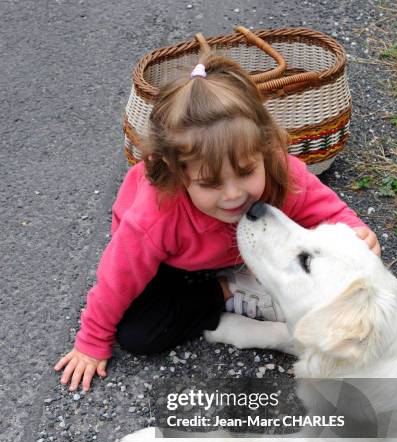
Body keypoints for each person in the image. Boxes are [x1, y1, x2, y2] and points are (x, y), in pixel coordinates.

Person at [54, 53, 380, 392]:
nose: (233, 195)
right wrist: (91, 340)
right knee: (137, 335)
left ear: (264, 148)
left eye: (246, 172)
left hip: (244, 246)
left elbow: (329, 211)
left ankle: (244, 285)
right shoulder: (153, 216)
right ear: (177, 172)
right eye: (210, 183)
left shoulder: (279, 170)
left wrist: (355, 233)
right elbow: (117, 278)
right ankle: (231, 289)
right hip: (173, 266)